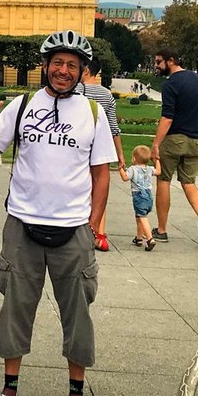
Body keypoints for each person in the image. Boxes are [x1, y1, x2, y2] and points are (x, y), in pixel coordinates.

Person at [0, 31, 112, 396]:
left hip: (72, 230)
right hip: (23, 224)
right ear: (45, 66)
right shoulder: (24, 104)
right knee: (14, 309)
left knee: (78, 315)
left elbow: (102, 174)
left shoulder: (93, 114)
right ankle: (9, 392)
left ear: (81, 71)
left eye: (71, 65)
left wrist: (94, 223)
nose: (63, 71)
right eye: (57, 63)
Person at [151, 49, 198, 247]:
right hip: (194, 140)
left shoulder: (170, 84)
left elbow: (167, 117)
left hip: (174, 140)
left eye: (159, 62)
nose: (157, 66)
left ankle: (161, 230)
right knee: (189, 183)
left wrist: (155, 143)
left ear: (171, 61)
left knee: (164, 180)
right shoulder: (196, 79)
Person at [76, 57, 127, 251]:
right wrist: (119, 153)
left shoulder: (75, 91)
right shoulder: (106, 94)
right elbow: (113, 127)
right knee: (100, 188)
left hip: (79, 147)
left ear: (86, 71)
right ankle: (99, 234)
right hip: (101, 148)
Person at [127, 145, 158, 251]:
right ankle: (139, 238)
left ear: (134, 159)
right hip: (149, 196)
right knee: (139, 217)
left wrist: (121, 169)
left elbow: (125, 178)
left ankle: (150, 239)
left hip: (139, 195)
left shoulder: (132, 169)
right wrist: (157, 160)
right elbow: (158, 171)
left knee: (142, 217)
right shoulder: (149, 169)